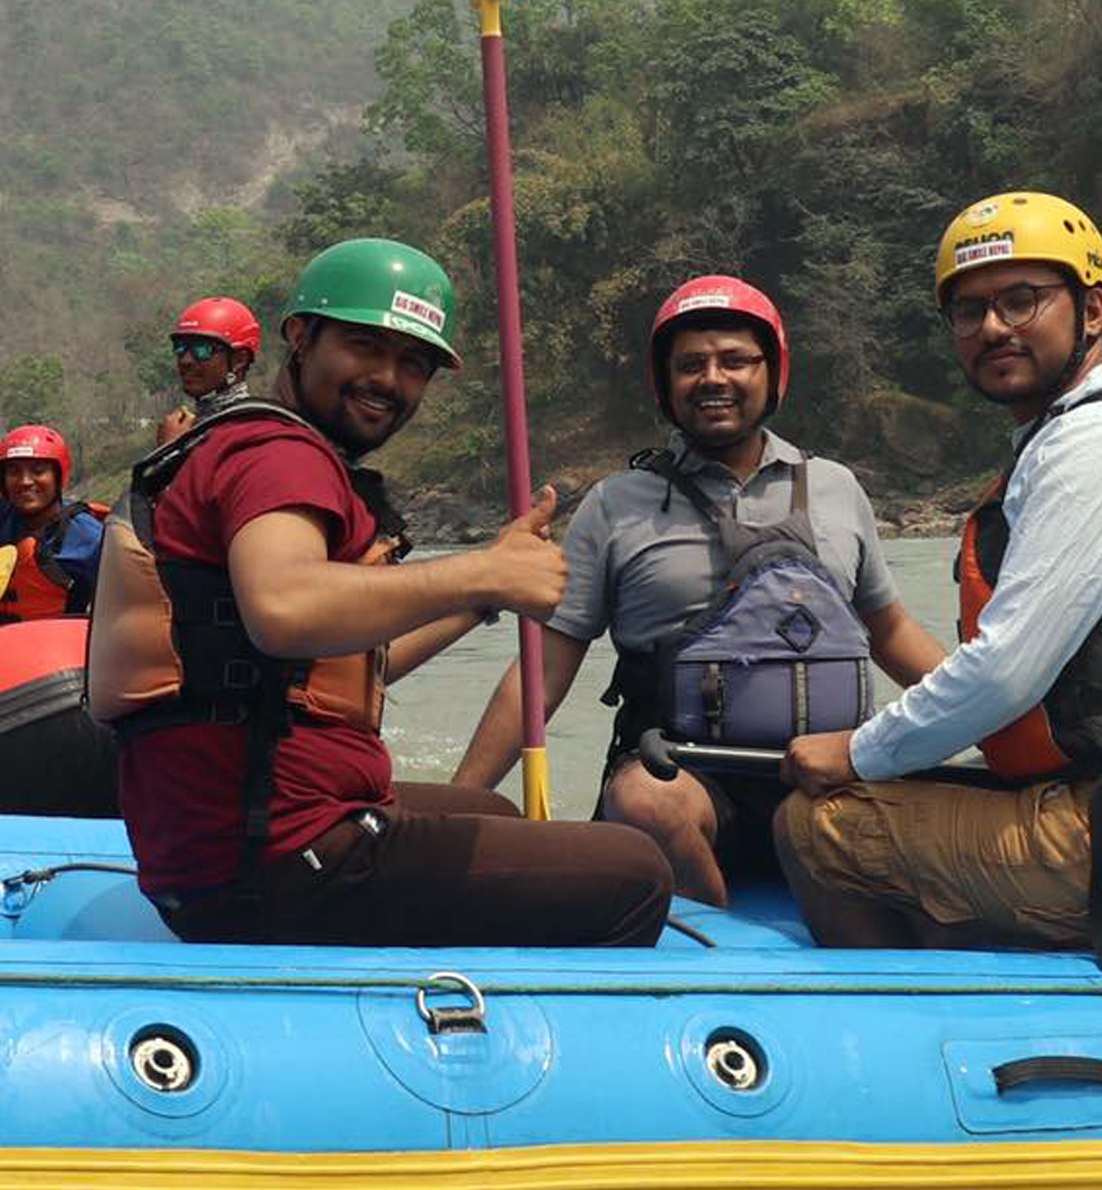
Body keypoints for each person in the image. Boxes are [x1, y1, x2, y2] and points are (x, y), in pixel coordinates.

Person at [88, 238, 675, 947]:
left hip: (222, 848)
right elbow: (286, 610)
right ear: (300, 338)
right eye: (367, 347)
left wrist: (480, 593)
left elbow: (358, 657)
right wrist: (478, 573)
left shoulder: (258, 449)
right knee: (636, 872)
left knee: (490, 810)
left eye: (414, 364)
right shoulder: (280, 458)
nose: (389, 379)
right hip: (280, 862)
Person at [776, 192, 1102, 959]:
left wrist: (853, 751)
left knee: (815, 826)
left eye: (1021, 300)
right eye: (969, 311)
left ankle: (907, 1036)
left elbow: (1007, 670)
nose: (993, 328)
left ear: (1092, 307)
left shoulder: (1096, 442)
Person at [453, 275, 944, 905]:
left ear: (774, 374)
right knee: (646, 799)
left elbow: (892, 634)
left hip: (831, 782)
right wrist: (464, 800)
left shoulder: (836, 487)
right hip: (686, 786)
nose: (713, 377)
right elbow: (543, 671)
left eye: (736, 360)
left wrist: (1001, 721)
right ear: (666, 386)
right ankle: (715, 943)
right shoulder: (617, 505)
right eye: (691, 365)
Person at [0, 426, 105, 621]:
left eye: (38, 471)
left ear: (58, 477)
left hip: (62, 645)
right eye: (14, 472)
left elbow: (125, 603)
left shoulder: (88, 535)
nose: (25, 481)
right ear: (3, 479)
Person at [155, 295, 263, 444]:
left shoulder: (247, 431)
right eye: (180, 348)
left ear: (239, 360)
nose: (186, 360)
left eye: (202, 349)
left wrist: (170, 449)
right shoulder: (196, 426)